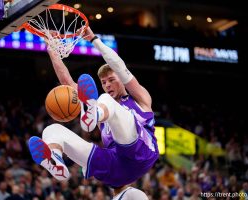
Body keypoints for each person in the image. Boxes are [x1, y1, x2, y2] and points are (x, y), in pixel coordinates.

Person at [28, 26, 159, 189]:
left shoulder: (141, 98)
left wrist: (94, 40)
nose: (107, 85)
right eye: (104, 82)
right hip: (115, 168)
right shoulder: (101, 102)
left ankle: (93, 115)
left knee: (105, 101)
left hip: (141, 153)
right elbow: (67, 83)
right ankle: (54, 158)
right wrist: (51, 50)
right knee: (52, 130)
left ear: (121, 78)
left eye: (111, 80)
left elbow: (118, 65)